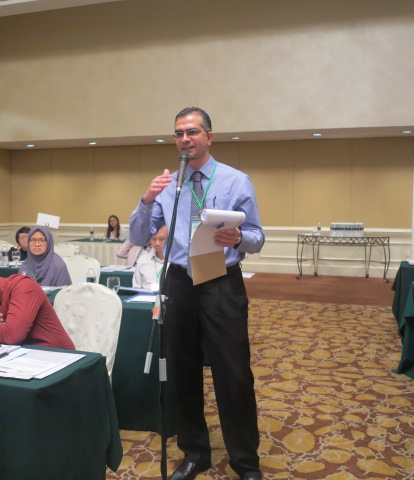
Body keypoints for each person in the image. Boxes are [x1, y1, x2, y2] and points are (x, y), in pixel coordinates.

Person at [129, 107, 264, 480]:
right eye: (178, 133)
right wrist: (145, 200)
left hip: (221, 280)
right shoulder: (167, 186)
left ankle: (245, 461)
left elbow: (257, 237)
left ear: (209, 136)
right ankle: (195, 452)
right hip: (178, 282)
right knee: (182, 372)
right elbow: (138, 236)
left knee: (233, 374)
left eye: (191, 132)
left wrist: (239, 237)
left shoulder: (236, 181)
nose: (184, 139)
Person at [132, 225, 167, 290]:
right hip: (145, 295)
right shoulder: (143, 260)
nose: (157, 243)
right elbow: (136, 287)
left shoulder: (177, 263)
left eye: (161, 239)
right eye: (154, 239)